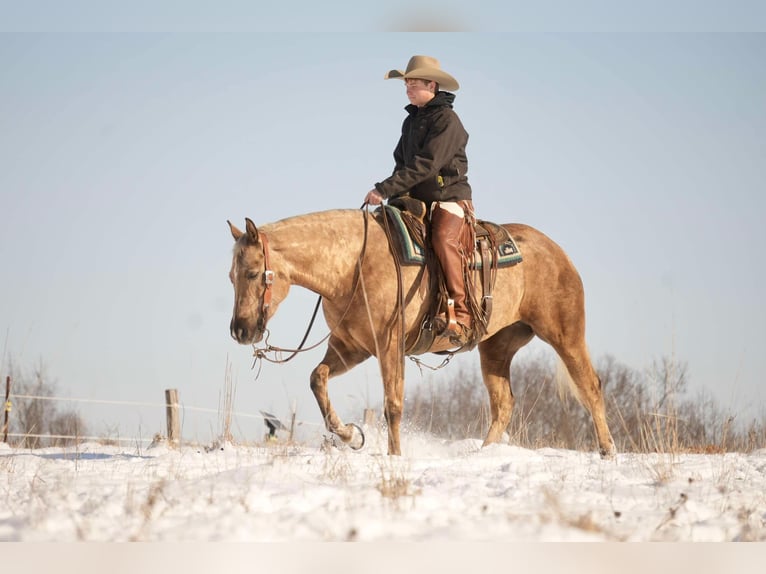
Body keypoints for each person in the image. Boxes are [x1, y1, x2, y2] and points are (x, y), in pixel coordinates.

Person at [364, 55, 476, 346]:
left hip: (447, 197)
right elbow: (402, 162)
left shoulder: (448, 121)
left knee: (441, 238)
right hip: (416, 198)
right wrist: (394, 194)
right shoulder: (410, 121)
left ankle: (461, 315)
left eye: (413, 84)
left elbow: (427, 164)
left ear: (432, 85)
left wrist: (385, 188)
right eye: (406, 85)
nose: (408, 89)